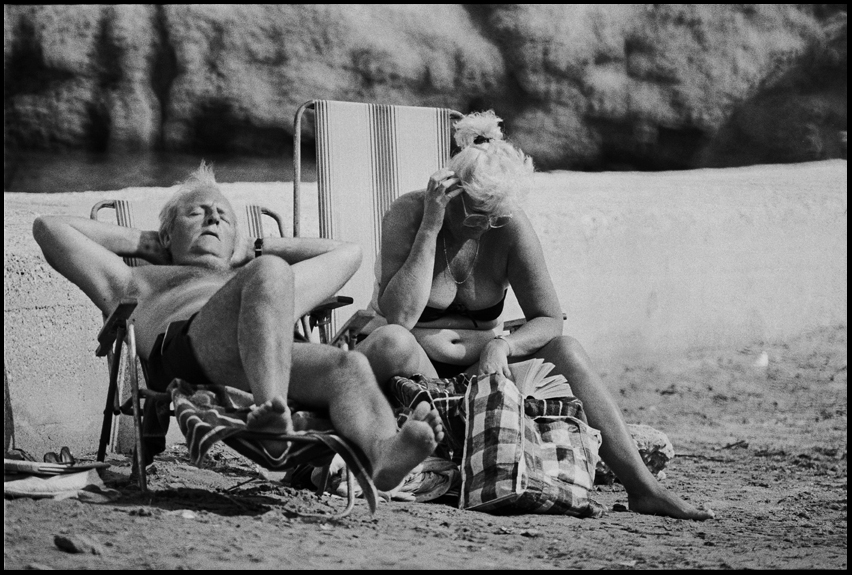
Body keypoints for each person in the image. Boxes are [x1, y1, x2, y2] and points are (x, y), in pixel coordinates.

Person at [357, 111, 715, 520]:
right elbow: (399, 315)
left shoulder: (506, 224)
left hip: (479, 372)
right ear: (449, 193)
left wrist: (503, 344)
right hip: (415, 365)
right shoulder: (410, 214)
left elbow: (548, 318)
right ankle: (389, 450)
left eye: (494, 214)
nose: (484, 224)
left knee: (567, 348)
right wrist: (431, 227)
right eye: (475, 212)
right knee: (391, 339)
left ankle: (643, 488)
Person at [32, 161, 443, 492]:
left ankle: (384, 454)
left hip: (263, 351)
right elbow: (50, 229)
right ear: (168, 233)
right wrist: (147, 243)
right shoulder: (135, 281)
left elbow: (347, 253)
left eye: (224, 217)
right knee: (271, 275)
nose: (212, 218)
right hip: (187, 350)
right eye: (197, 212)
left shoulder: (261, 281)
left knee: (347, 367)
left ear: (237, 243)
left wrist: (256, 249)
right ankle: (273, 417)